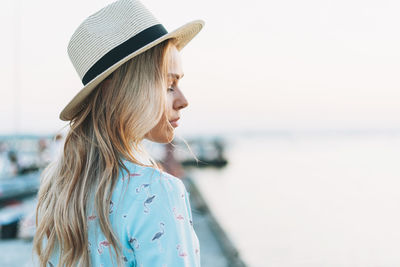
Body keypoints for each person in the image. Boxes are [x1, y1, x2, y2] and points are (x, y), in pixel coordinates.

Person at [33, 0, 204, 266]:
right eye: (169, 85)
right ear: (119, 92)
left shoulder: (58, 190)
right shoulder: (159, 191)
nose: (183, 99)